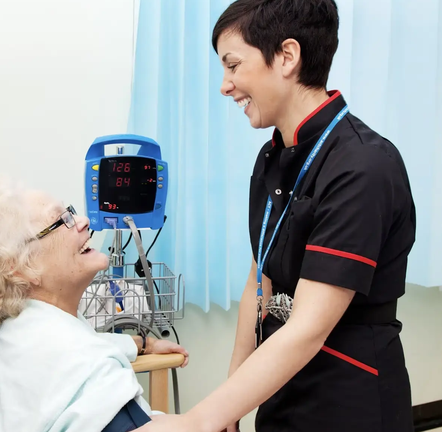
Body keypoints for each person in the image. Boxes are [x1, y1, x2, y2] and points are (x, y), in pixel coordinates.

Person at [136, 0, 415, 431]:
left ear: (287, 56)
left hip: (348, 397)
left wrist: (198, 420)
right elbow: (259, 282)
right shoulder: (273, 155)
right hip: (281, 384)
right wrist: (232, 401)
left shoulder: (362, 166)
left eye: (233, 65)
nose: (225, 86)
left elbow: (307, 327)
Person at [0, 175, 189, 432]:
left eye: (71, 212)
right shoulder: (81, 363)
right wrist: (228, 396)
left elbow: (82, 347)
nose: (84, 221)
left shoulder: (21, 328)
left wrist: (144, 343)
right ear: (21, 268)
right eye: (61, 220)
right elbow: (79, 356)